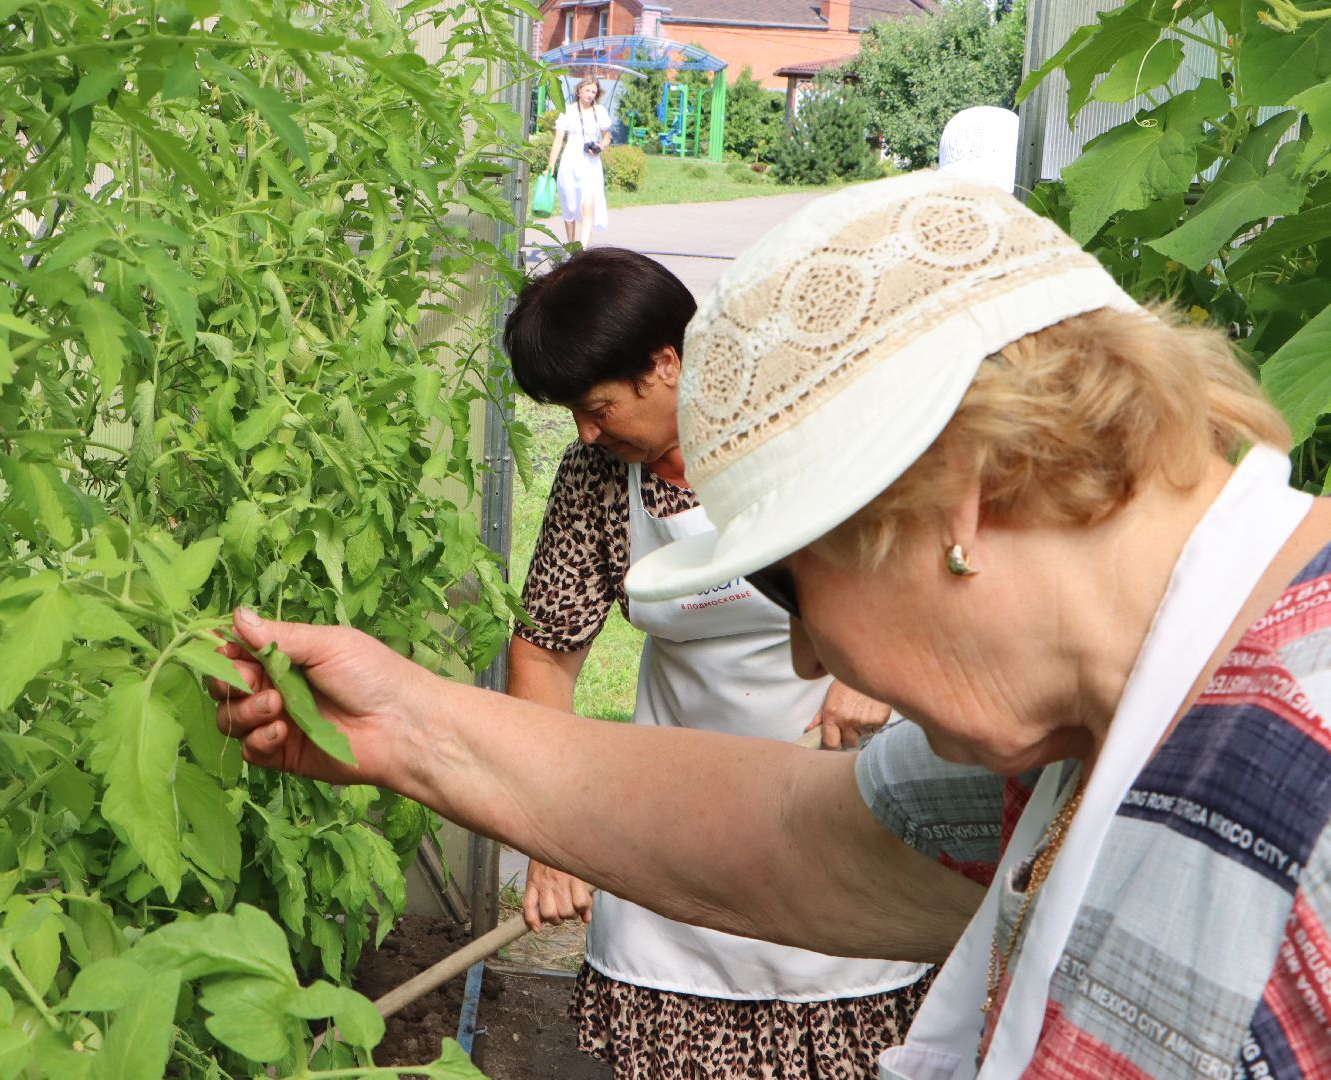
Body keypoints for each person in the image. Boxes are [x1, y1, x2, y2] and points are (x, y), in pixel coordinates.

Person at [212, 172, 1331, 1077]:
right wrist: (409, 726)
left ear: (957, 497)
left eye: (792, 584)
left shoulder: (1303, 801)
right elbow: (803, 840)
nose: (802, 653)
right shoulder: (1098, 728)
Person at [503, 246, 928, 1079]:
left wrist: (874, 669)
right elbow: (546, 655)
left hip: (835, 795)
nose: (588, 433)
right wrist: (550, 831)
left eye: (597, 406)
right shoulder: (598, 479)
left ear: (668, 363)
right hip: (679, 818)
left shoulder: (805, 434)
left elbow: (928, 566)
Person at [546, 76, 611, 244]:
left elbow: (606, 137)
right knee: (570, 207)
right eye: (587, 90)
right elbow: (558, 140)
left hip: (590, 163)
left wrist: (600, 146)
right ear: (579, 90)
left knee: (587, 208)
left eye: (594, 92)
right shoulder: (568, 111)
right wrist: (550, 165)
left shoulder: (600, 111)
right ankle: (571, 245)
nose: (590, 94)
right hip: (571, 160)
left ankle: (582, 251)